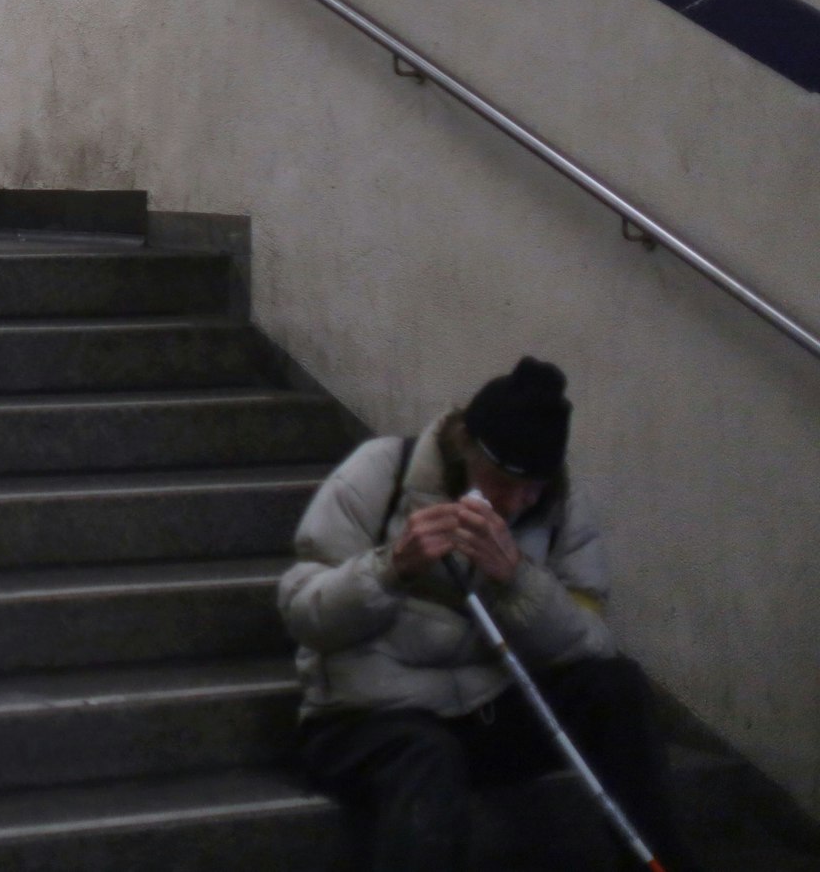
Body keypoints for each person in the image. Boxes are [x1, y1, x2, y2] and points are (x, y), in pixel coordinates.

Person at [279, 357, 702, 872]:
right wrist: (391, 569)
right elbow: (303, 614)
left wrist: (517, 580)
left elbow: (590, 642)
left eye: (533, 487)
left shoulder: (560, 508)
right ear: (465, 448)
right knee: (428, 758)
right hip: (367, 719)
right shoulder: (381, 470)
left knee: (617, 687)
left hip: (486, 711)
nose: (515, 502)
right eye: (501, 481)